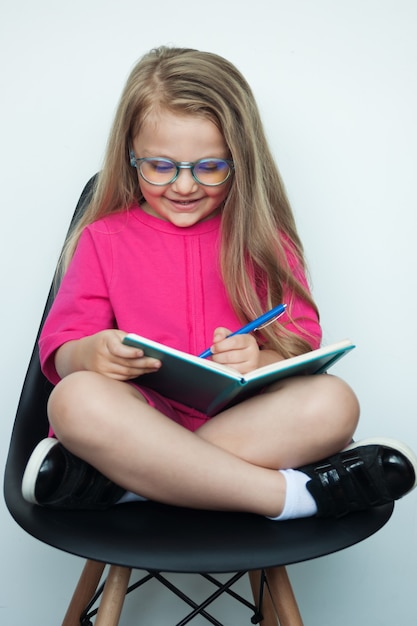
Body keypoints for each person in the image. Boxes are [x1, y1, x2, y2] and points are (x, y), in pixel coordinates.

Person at [22, 46, 416, 519]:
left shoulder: (263, 238)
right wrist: (91, 353)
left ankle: (127, 483)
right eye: (160, 166)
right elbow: (61, 349)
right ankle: (293, 497)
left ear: (239, 159)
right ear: (130, 155)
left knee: (334, 402)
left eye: (210, 167)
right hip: (140, 416)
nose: (184, 186)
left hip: (243, 422)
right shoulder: (103, 238)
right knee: (74, 399)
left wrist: (260, 357)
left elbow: (300, 343)